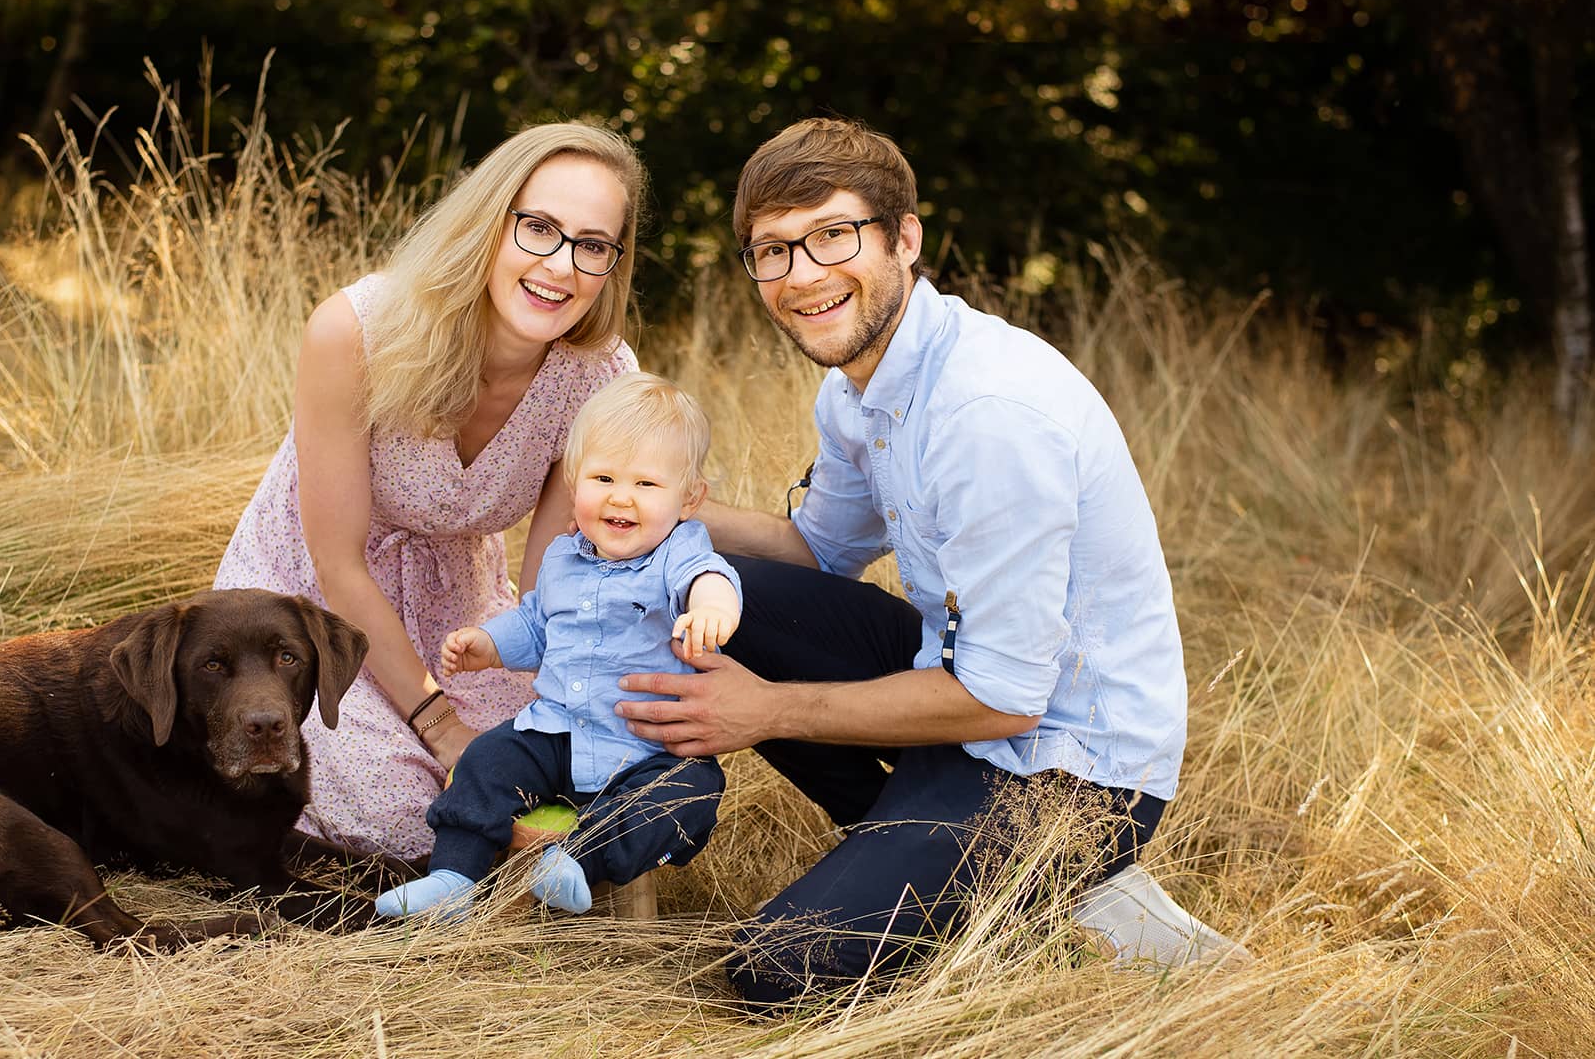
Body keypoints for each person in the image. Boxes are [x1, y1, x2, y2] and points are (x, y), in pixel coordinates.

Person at [612, 118, 1247, 1009]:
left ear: (905, 237)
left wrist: (763, 713)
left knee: (777, 970)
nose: (802, 275)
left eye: (834, 235)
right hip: (962, 698)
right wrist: (660, 505)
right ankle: (922, 853)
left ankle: (1036, 885)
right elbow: (818, 558)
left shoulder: (989, 413)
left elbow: (1008, 697)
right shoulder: (858, 386)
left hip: (1071, 772)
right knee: (717, 591)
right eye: (772, 251)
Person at [215, 122, 644, 862]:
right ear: (489, 223)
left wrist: (574, 711)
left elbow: (552, 590)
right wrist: (443, 728)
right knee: (406, 812)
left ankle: (528, 854)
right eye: (538, 228)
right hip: (310, 616)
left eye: (592, 245)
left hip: (463, 621)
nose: (560, 266)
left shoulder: (600, 378)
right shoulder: (358, 330)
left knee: (567, 765)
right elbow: (335, 562)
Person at [374, 373, 740, 921]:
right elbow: (537, 623)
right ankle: (453, 875)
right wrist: (488, 644)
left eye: (647, 484)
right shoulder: (563, 558)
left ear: (689, 498)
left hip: (647, 749)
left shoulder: (677, 552)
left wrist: (713, 609)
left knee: (691, 791)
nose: (621, 496)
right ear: (575, 483)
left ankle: (575, 863)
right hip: (556, 734)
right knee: (487, 757)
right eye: (604, 477)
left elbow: (710, 576)